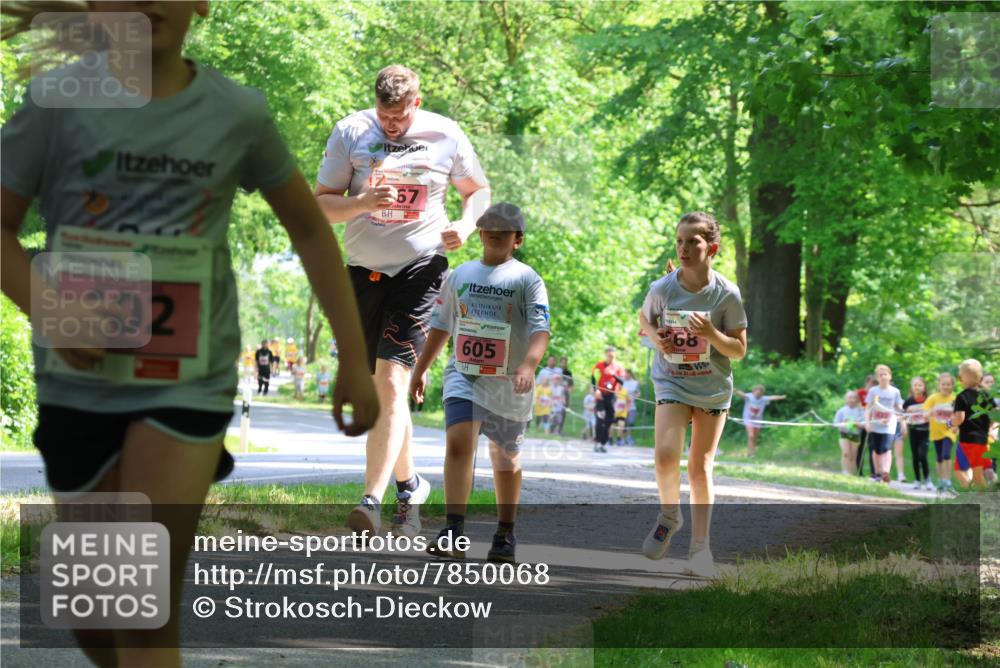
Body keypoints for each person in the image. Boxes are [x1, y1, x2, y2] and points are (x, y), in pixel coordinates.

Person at [0, 3, 379, 665]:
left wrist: (354, 358)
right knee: (99, 613)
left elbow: (313, 229)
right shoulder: (55, 105)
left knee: (143, 610)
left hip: (187, 383)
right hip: (79, 385)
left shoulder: (238, 112)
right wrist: (51, 308)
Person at [315, 64, 491, 536]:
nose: (391, 125)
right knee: (381, 387)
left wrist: (466, 225)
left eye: (400, 116)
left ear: (416, 101)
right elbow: (321, 204)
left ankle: (370, 500)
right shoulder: (351, 131)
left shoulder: (446, 134)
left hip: (422, 268)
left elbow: (478, 191)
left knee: (392, 382)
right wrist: (362, 204)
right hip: (362, 271)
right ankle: (410, 484)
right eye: (384, 115)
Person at [410, 202, 549, 564]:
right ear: (481, 233)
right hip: (464, 375)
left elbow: (540, 330)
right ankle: (453, 529)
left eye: (504, 230)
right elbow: (441, 325)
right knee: (459, 444)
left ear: (517, 239)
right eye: (489, 227)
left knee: (505, 458)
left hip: (508, 384)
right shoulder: (460, 274)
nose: (495, 233)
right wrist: (421, 368)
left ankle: (505, 532)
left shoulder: (527, 279)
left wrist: (529, 366)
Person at [638, 211, 748, 578]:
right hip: (671, 380)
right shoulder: (663, 288)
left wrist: (712, 334)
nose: (684, 248)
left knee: (699, 467)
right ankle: (669, 516)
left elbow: (738, 350)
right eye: (679, 241)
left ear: (711, 248)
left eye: (693, 242)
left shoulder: (726, 294)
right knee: (665, 457)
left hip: (712, 388)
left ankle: (701, 551)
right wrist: (658, 338)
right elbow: (645, 320)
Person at [951, 359, 992, 490]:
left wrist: (950, 423)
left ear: (961, 378)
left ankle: (976, 496)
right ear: (980, 378)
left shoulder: (962, 396)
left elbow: (960, 418)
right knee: (978, 474)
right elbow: (994, 415)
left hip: (967, 441)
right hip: (983, 440)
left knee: (959, 470)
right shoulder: (986, 395)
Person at [864, 364, 904, 484]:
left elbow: (899, 407)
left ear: (890, 376)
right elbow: (868, 408)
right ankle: (877, 473)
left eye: (885, 374)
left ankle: (885, 472)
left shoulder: (895, 392)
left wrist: (902, 416)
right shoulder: (873, 391)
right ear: (877, 378)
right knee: (876, 450)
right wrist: (867, 423)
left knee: (886, 448)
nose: (883, 377)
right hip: (875, 424)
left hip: (889, 425)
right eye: (880, 375)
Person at [924, 372, 958, 494]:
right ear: (939, 385)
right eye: (943, 384)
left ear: (952, 385)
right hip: (936, 432)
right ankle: (940, 480)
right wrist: (931, 412)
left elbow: (959, 416)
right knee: (939, 458)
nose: (946, 386)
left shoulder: (955, 399)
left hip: (949, 432)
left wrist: (957, 427)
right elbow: (925, 414)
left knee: (946, 455)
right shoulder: (933, 398)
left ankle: (947, 480)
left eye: (948, 384)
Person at [734, 385, 787, 457]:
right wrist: (734, 390)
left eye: (760, 393)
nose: (758, 394)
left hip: (758, 421)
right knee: (751, 436)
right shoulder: (749, 397)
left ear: (762, 393)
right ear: (754, 391)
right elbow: (741, 394)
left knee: (755, 437)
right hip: (748, 419)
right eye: (757, 392)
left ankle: (753, 452)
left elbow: (773, 397)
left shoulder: (764, 399)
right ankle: (750, 453)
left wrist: (782, 397)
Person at [592, 346, 625, 451]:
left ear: (615, 355)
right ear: (606, 354)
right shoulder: (599, 365)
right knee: (600, 418)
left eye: (612, 355)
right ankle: (597, 442)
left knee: (609, 420)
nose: (610, 357)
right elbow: (593, 378)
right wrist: (595, 390)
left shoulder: (618, 367)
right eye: (608, 355)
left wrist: (613, 374)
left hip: (611, 397)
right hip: (600, 395)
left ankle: (603, 443)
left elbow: (622, 381)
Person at [903, 376, 932, 490]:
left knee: (923, 456)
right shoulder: (908, 402)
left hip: (925, 431)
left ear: (924, 387)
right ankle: (917, 480)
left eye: (920, 385)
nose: (917, 388)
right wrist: (904, 426)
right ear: (912, 387)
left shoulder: (929, 400)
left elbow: (934, 414)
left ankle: (927, 480)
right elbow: (903, 416)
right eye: (915, 385)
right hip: (913, 431)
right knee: (915, 456)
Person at [834, 391, 865, 474]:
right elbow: (835, 423)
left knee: (853, 456)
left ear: (857, 399)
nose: (852, 400)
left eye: (854, 397)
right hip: (844, 434)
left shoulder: (861, 411)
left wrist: (856, 424)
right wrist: (842, 425)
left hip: (855, 435)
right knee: (846, 453)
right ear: (846, 399)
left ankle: (852, 473)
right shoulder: (841, 411)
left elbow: (864, 424)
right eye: (850, 397)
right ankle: (845, 471)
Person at [855, 374, 877, 476]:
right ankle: (859, 470)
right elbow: (856, 404)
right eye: (871, 383)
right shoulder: (860, 392)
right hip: (861, 421)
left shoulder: (876, 394)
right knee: (860, 446)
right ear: (866, 382)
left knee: (872, 446)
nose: (872, 385)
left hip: (872, 422)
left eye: (874, 384)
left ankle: (874, 471)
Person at [622, 369, 641, 445]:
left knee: (631, 422)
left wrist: (634, 397)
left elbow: (638, 393)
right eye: (624, 374)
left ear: (630, 374)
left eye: (626, 374)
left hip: (632, 406)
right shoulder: (622, 382)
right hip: (622, 406)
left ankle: (629, 437)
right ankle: (622, 439)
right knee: (623, 423)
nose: (625, 375)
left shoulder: (635, 383)